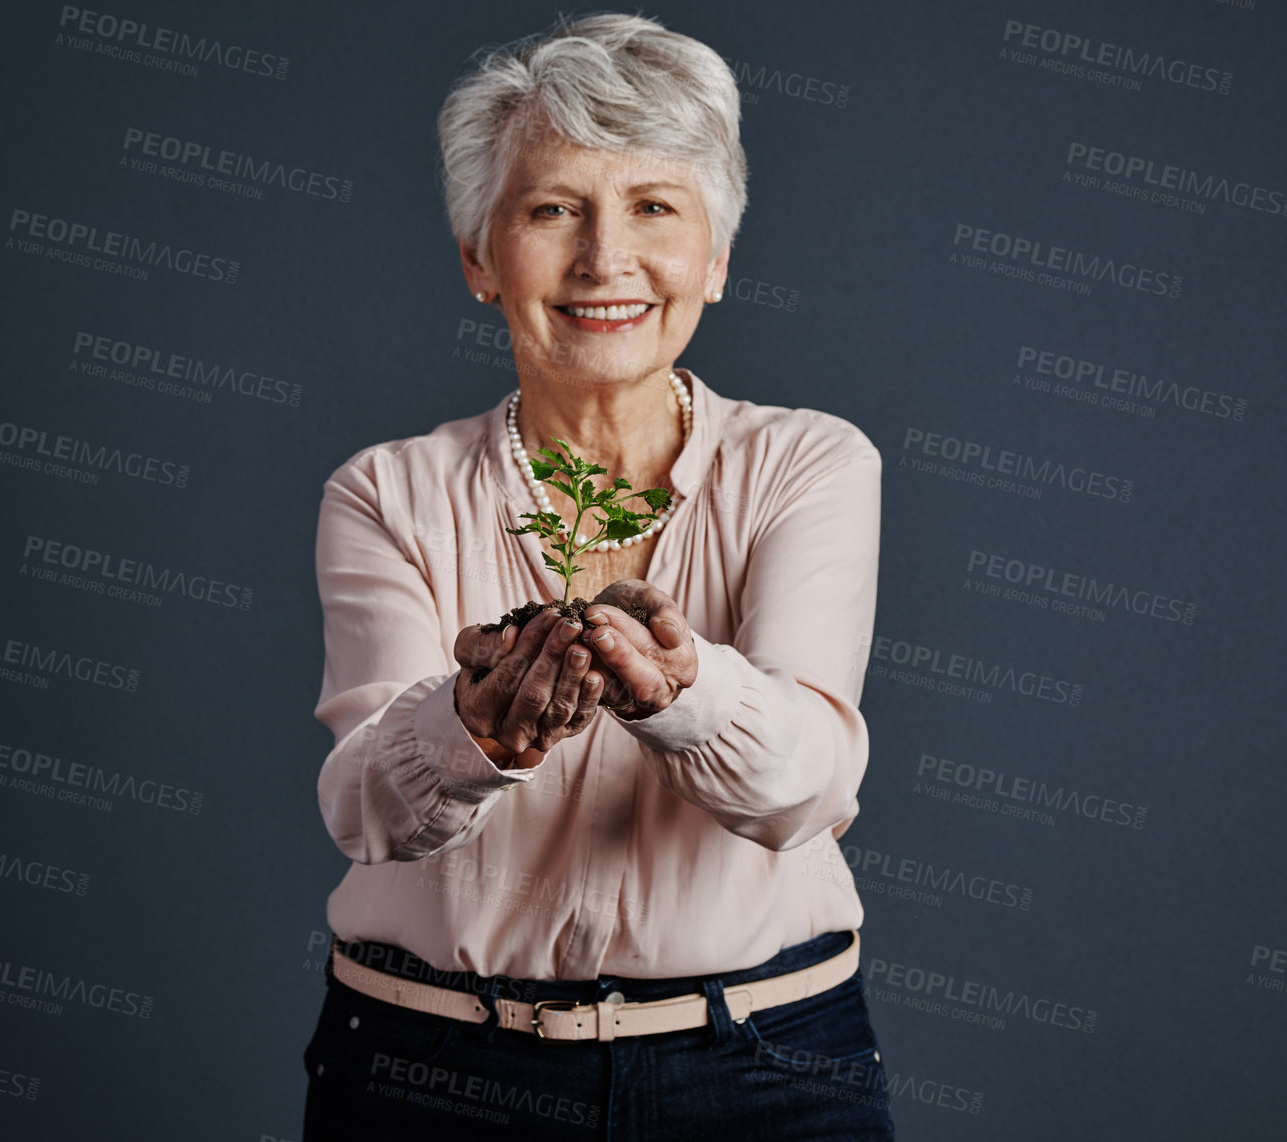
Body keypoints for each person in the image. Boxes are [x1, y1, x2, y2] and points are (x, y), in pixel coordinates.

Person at [303, 13, 889, 1140]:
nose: (604, 259)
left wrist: (684, 696)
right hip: (428, 1069)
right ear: (480, 254)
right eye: (552, 207)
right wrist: (471, 730)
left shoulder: (811, 463)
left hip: (762, 1066)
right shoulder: (385, 490)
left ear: (715, 257)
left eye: (654, 206)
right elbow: (361, 805)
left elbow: (809, 788)